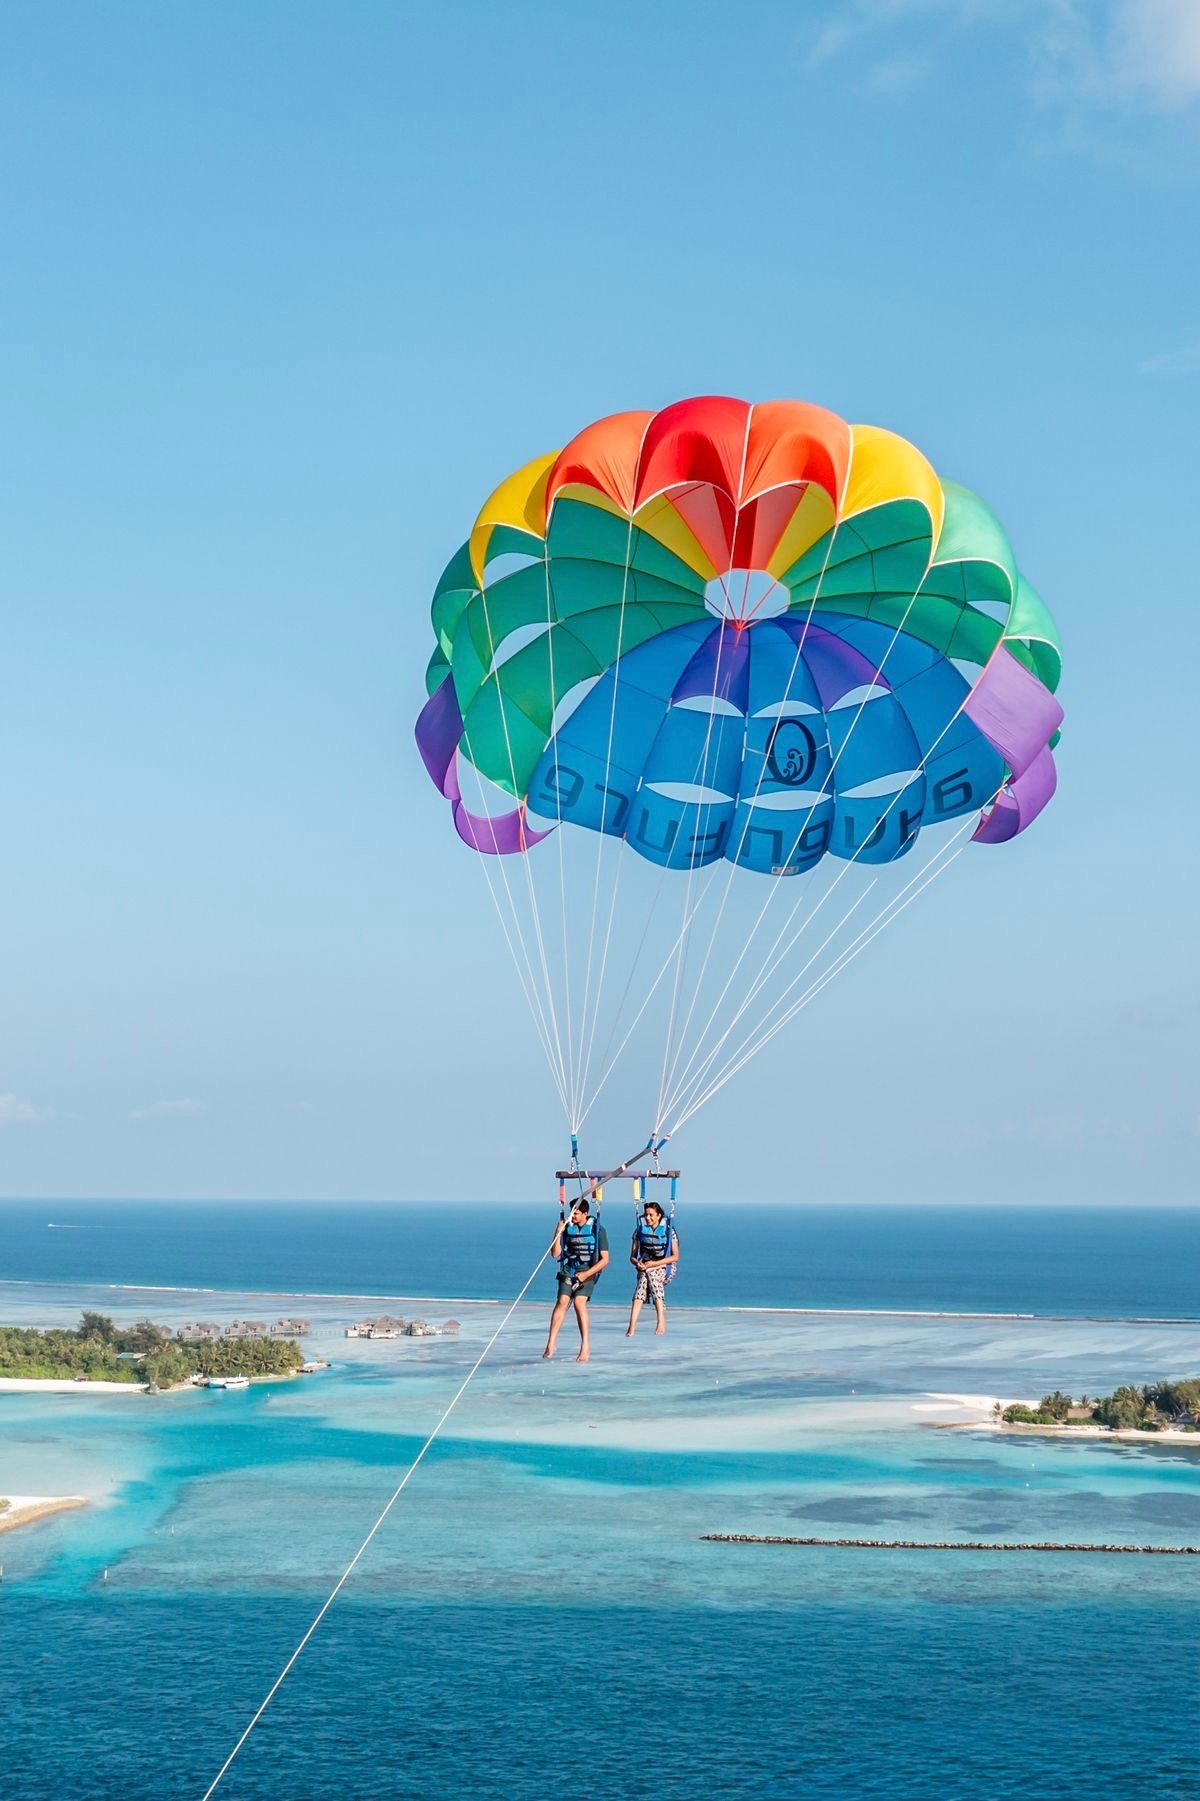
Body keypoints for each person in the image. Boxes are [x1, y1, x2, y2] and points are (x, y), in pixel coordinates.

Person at [543, 1196, 609, 1363]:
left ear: (585, 1214)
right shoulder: (566, 1227)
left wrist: (587, 1275)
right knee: (562, 1302)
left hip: (587, 1270)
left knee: (579, 1303)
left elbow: (605, 1260)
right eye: (571, 1213)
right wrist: (558, 1233)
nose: (572, 1216)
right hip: (569, 1269)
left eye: (576, 1213)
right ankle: (551, 1343)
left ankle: (585, 1345)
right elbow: (555, 1254)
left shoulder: (597, 1229)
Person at [625, 1200, 679, 1338]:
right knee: (644, 1279)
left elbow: (675, 1257)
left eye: (651, 1215)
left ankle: (661, 1319)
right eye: (646, 1215)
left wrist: (653, 1265)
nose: (648, 1218)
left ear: (659, 1215)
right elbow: (632, 1256)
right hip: (645, 1267)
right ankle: (632, 1324)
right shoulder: (639, 1230)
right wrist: (638, 1264)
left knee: (652, 1276)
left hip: (665, 1267)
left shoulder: (668, 1230)